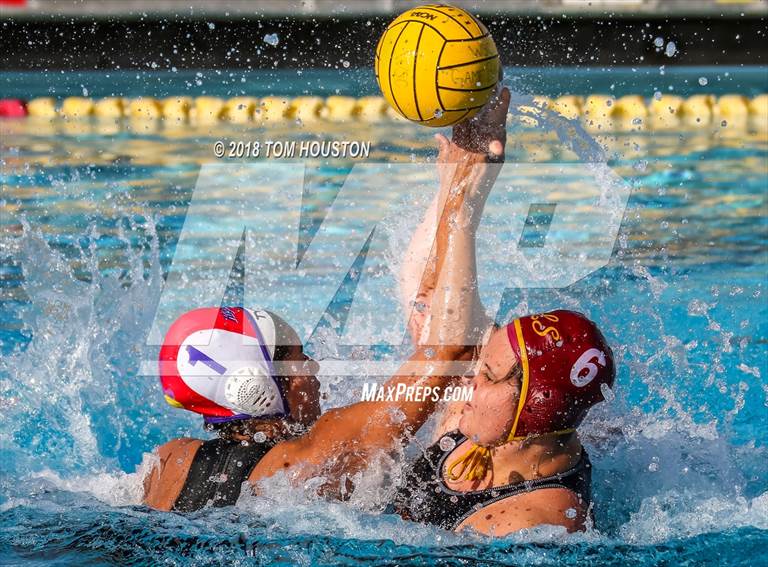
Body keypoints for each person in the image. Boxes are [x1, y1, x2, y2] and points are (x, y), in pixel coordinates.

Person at [145, 86, 616, 537]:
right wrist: (461, 193)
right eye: (294, 359)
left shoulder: (170, 462)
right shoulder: (322, 452)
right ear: (254, 391)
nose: (312, 365)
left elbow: (440, 319)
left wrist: (457, 184)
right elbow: (451, 345)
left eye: (485, 371)